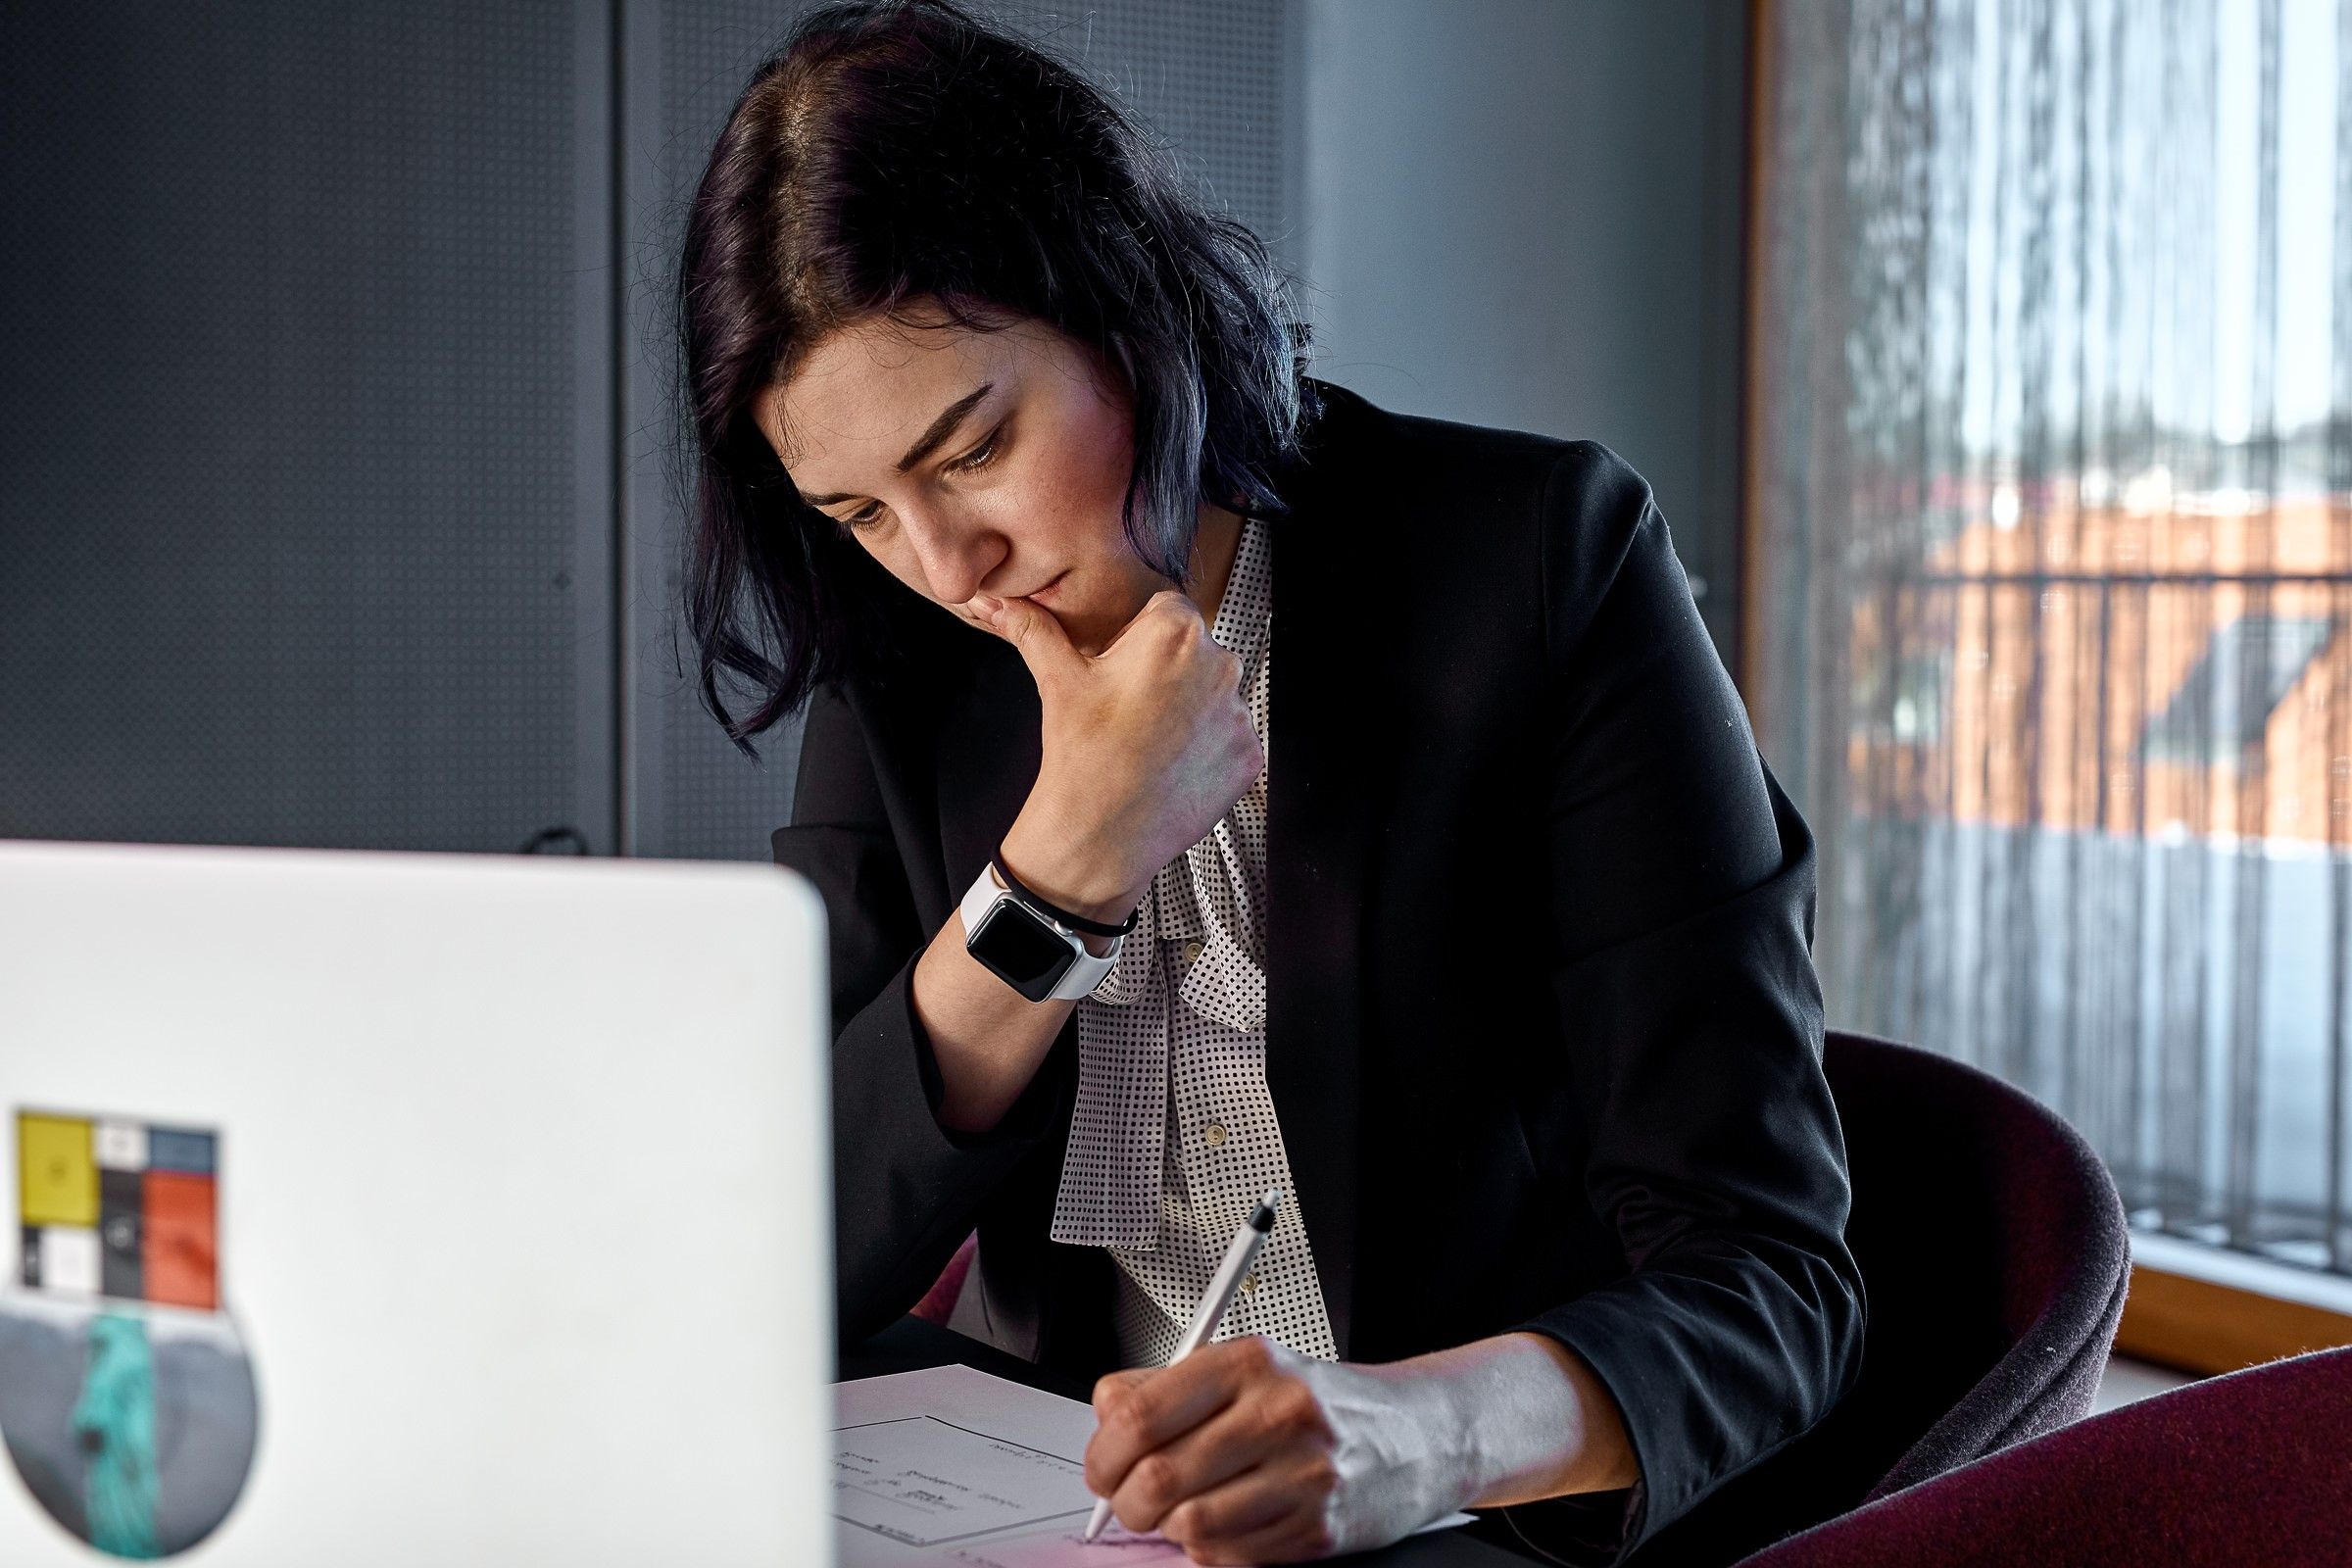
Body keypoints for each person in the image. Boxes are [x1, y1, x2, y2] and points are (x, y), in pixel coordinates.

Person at [671, 3, 1865, 1563]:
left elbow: (1772, 1284)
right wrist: (1053, 885)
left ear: (1125, 311)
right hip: (1049, 1507)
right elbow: (762, 1263)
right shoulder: (908, 668)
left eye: (970, 450)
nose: (946, 565)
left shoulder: (1542, 566)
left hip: (1462, 1520)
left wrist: (1411, 1438)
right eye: (857, 513)